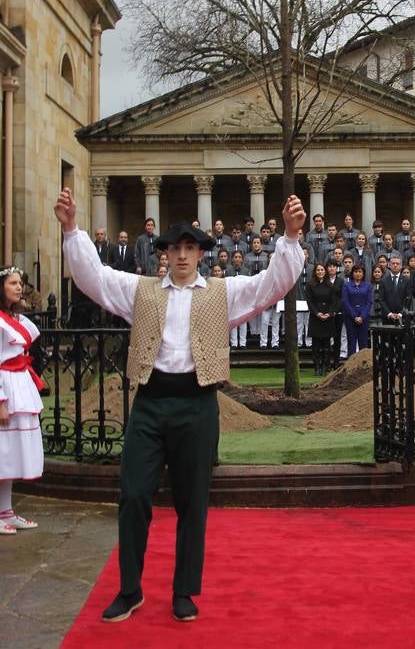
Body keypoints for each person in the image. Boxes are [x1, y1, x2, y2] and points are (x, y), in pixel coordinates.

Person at [54, 188, 305, 623]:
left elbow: (270, 285)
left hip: (197, 405)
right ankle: (130, 589)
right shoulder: (142, 289)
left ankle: (184, 592)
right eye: (176, 249)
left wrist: (289, 237)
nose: (183, 256)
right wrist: (73, 229)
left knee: (193, 502)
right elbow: (94, 278)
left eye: (191, 248)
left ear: (201, 253)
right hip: (150, 404)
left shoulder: (222, 293)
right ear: (164, 255)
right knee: (133, 494)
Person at [0, 265, 44, 535]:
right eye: (13, 283)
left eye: (20, 283)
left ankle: (6, 510)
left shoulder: (14, 316)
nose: (19, 287)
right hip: (5, 384)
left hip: (19, 383)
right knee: (1, 452)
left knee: (12, 453)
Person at [306, 262, 338, 375]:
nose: (320, 272)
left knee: (326, 344)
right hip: (316, 317)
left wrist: (329, 313)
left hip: (328, 317)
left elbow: (334, 301)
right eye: (318, 270)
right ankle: (317, 366)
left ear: (325, 272)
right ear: (315, 272)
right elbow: (309, 301)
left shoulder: (330, 285)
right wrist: (317, 313)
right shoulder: (310, 285)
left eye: (322, 270)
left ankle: (325, 366)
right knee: (316, 344)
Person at [342, 264, 372, 356]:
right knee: (351, 342)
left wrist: (362, 316)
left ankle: (364, 366)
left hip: (364, 318)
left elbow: (369, 302)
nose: (358, 274)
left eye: (360, 272)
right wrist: (354, 316)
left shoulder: (367, 285)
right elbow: (345, 302)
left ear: (363, 274)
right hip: (350, 318)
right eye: (356, 272)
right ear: (352, 273)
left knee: (363, 342)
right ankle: (351, 366)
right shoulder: (346, 286)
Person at [378, 255, 411, 325]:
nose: (395, 265)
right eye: (393, 263)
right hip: (387, 318)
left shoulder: (406, 281)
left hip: (402, 318)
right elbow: (381, 299)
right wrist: (389, 314)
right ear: (389, 265)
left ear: (401, 266)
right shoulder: (383, 281)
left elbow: (408, 298)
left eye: (397, 264)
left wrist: (400, 314)